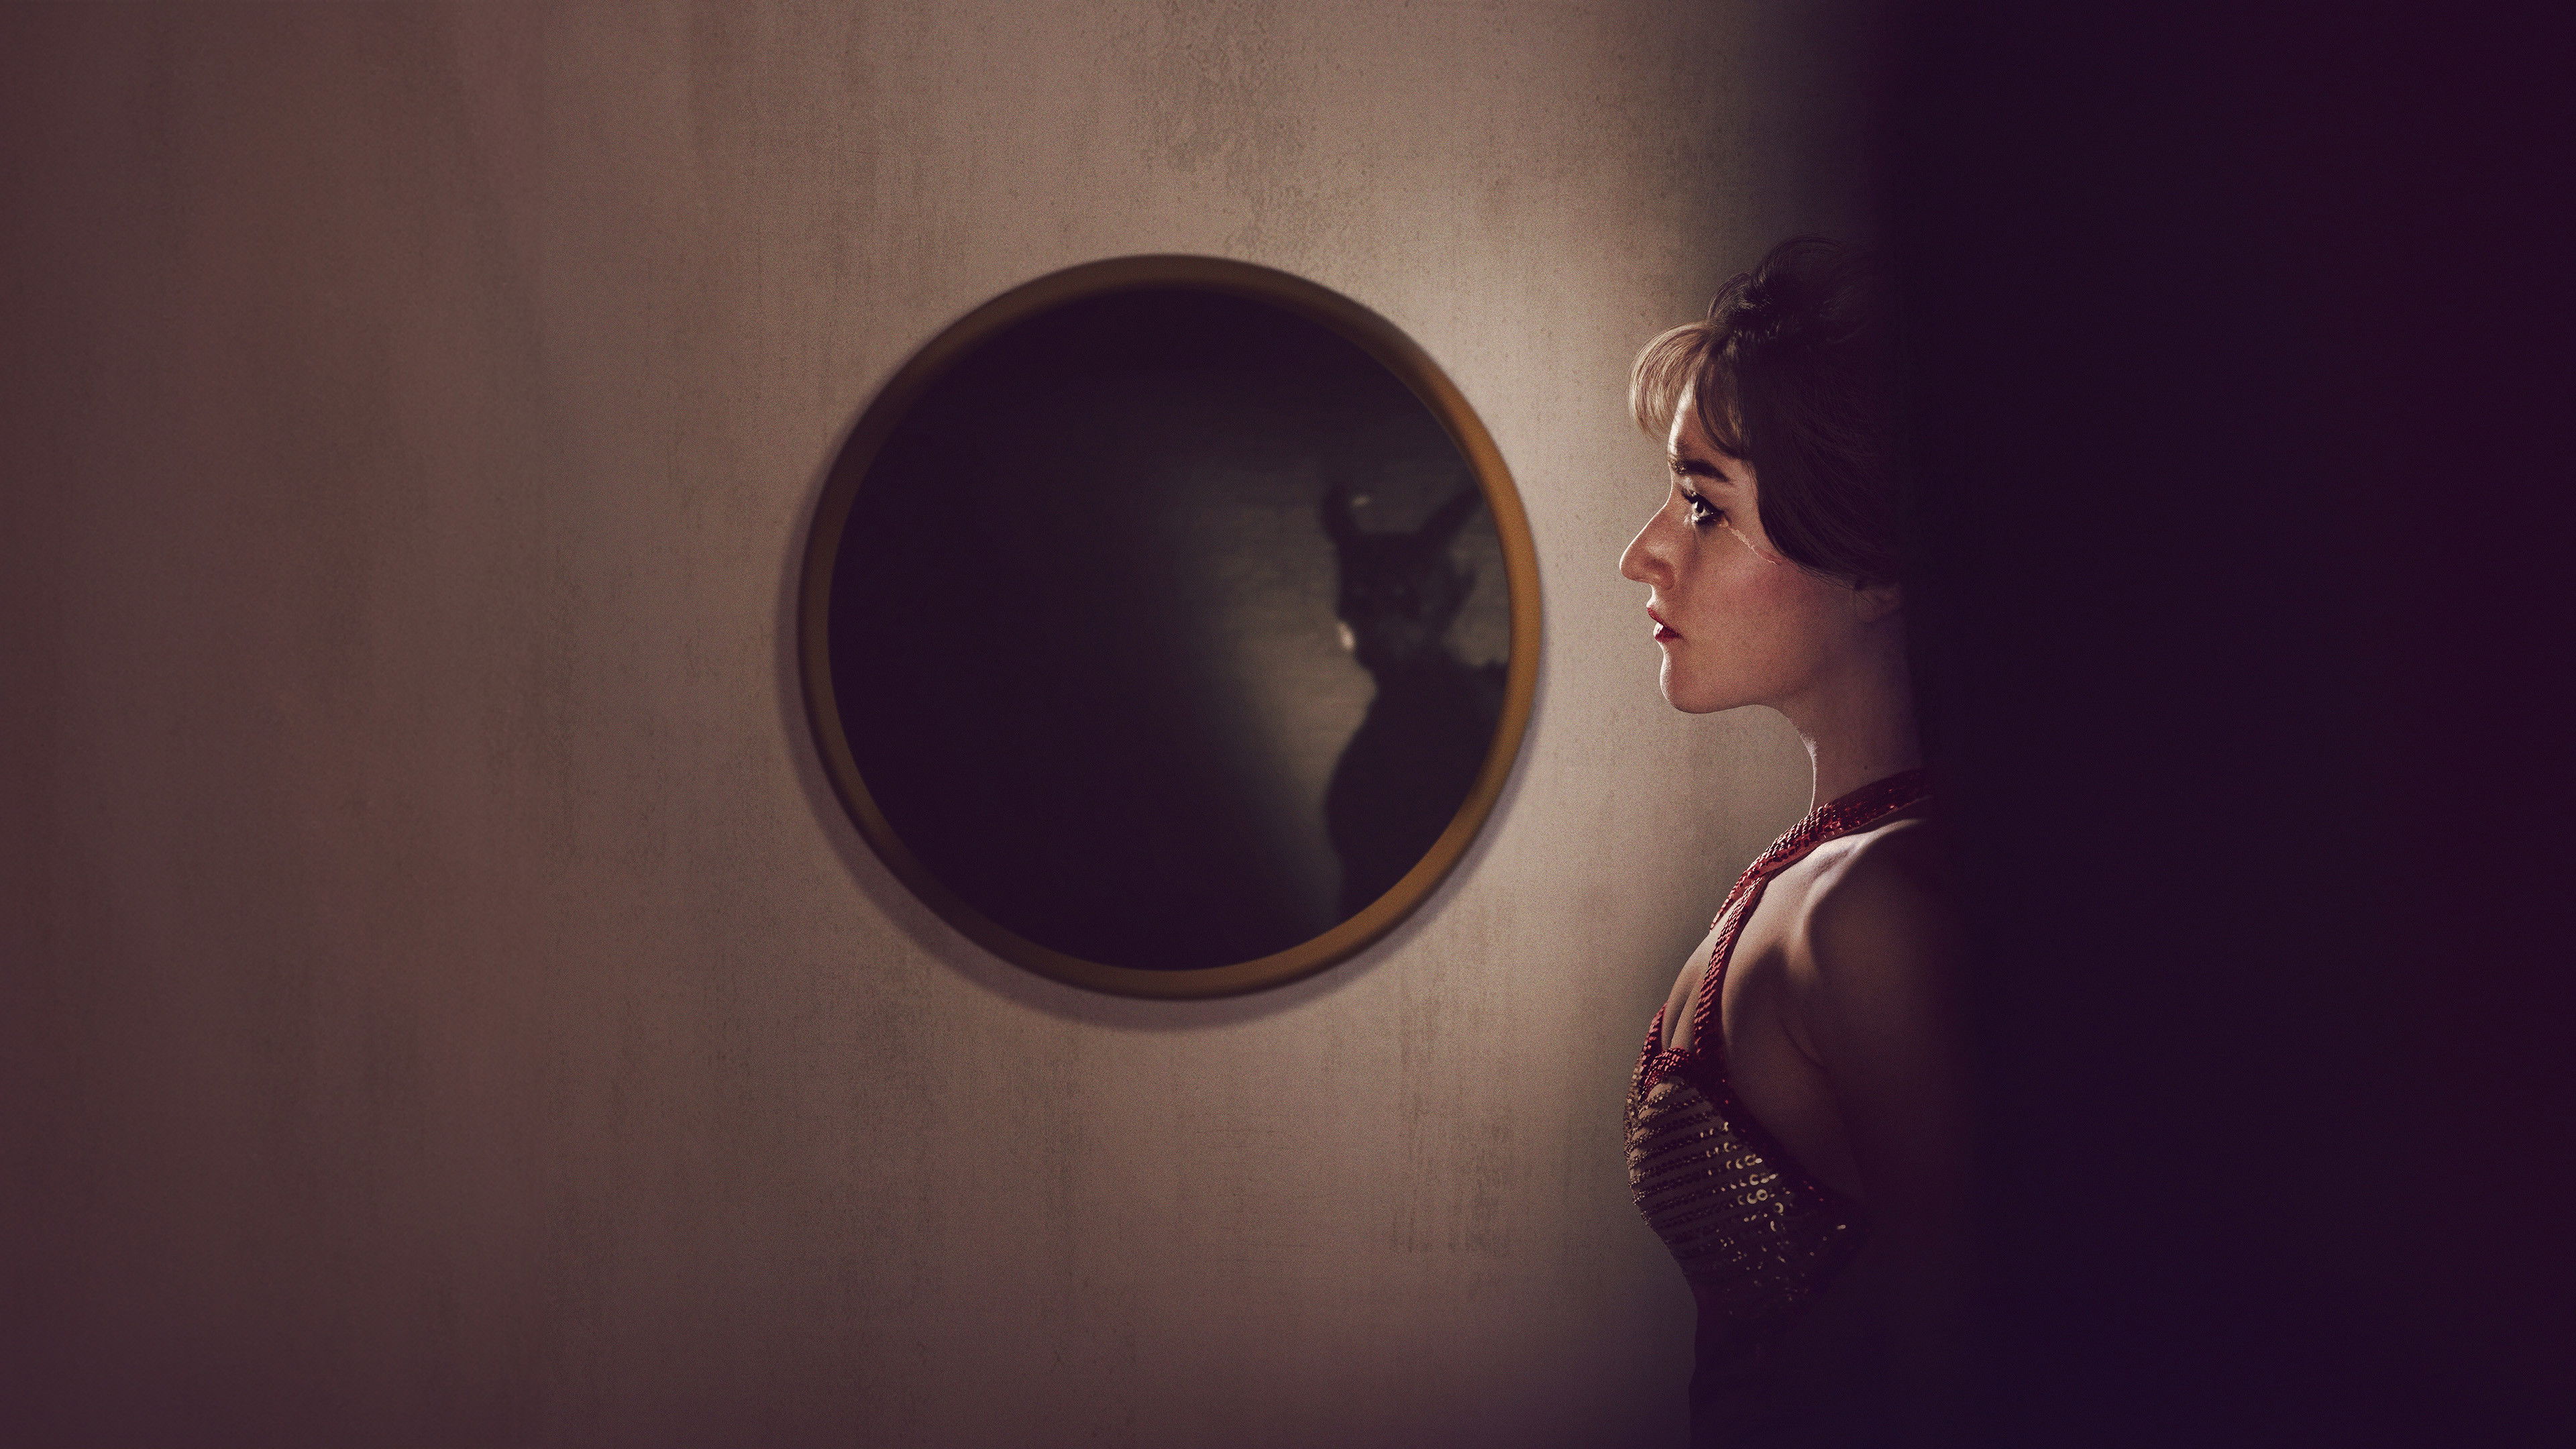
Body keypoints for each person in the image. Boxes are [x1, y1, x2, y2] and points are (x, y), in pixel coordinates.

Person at [1617, 237, 1967, 1447]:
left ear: (1878, 566)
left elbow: (1986, 1368)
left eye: (1704, 505)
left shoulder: (1876, 912)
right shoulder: (1833, 872)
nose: (1643, 553)